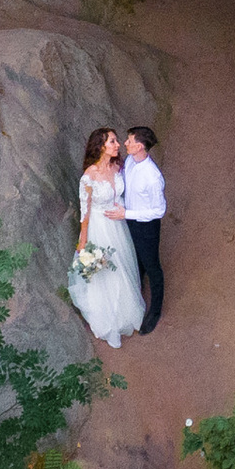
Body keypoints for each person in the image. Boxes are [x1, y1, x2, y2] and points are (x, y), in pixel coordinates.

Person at [68, 128, 145, 350]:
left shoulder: (117, 166)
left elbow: (121, 195)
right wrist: (83, 242)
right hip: (99, 228)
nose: (118, 144)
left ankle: (128, 313)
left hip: (118, 226)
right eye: (112, 141)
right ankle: (109, 321)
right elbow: (85, 212)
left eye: (116, 141)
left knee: (123, 266)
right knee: (104, 272)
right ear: (101, 146)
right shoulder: (89, 176)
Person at [122, 127, 166, 334]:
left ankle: (155, 312)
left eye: (130, 141)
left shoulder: (153, 177)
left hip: (146, 227)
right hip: (130, 221)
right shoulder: (130, 161)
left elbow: (159, 210)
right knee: (135, 258)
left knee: (152, 266)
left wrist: (126, 214)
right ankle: (135, 295)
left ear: (140, 146)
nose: (125, 143)